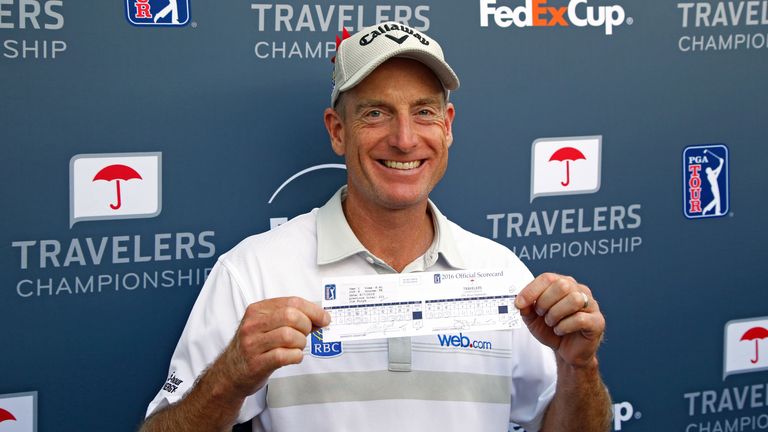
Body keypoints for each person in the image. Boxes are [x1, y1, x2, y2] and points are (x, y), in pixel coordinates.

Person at [140, 21, 611, 432]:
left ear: (447, 126)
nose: (404, 139)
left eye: (424, 111)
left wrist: (579, 367)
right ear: (337, 130)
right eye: (375, 113)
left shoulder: (503, 274)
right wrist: (229, 376)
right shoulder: (253, 272)